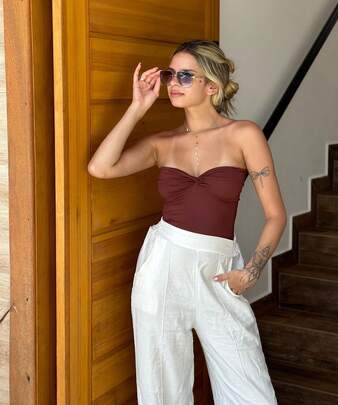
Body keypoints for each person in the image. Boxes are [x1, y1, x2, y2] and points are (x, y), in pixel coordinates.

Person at [88, 39, 286, 405]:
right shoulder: (162, 143)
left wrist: (252, 271)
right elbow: (100, 167)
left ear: (211, 85)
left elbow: (276, 215)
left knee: (251, 392)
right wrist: (136, 108)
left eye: (184, 76)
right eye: (170, 75)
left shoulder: (244, 135)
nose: (172, 83)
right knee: (162, 390)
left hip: (219, 271)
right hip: (163, 266)